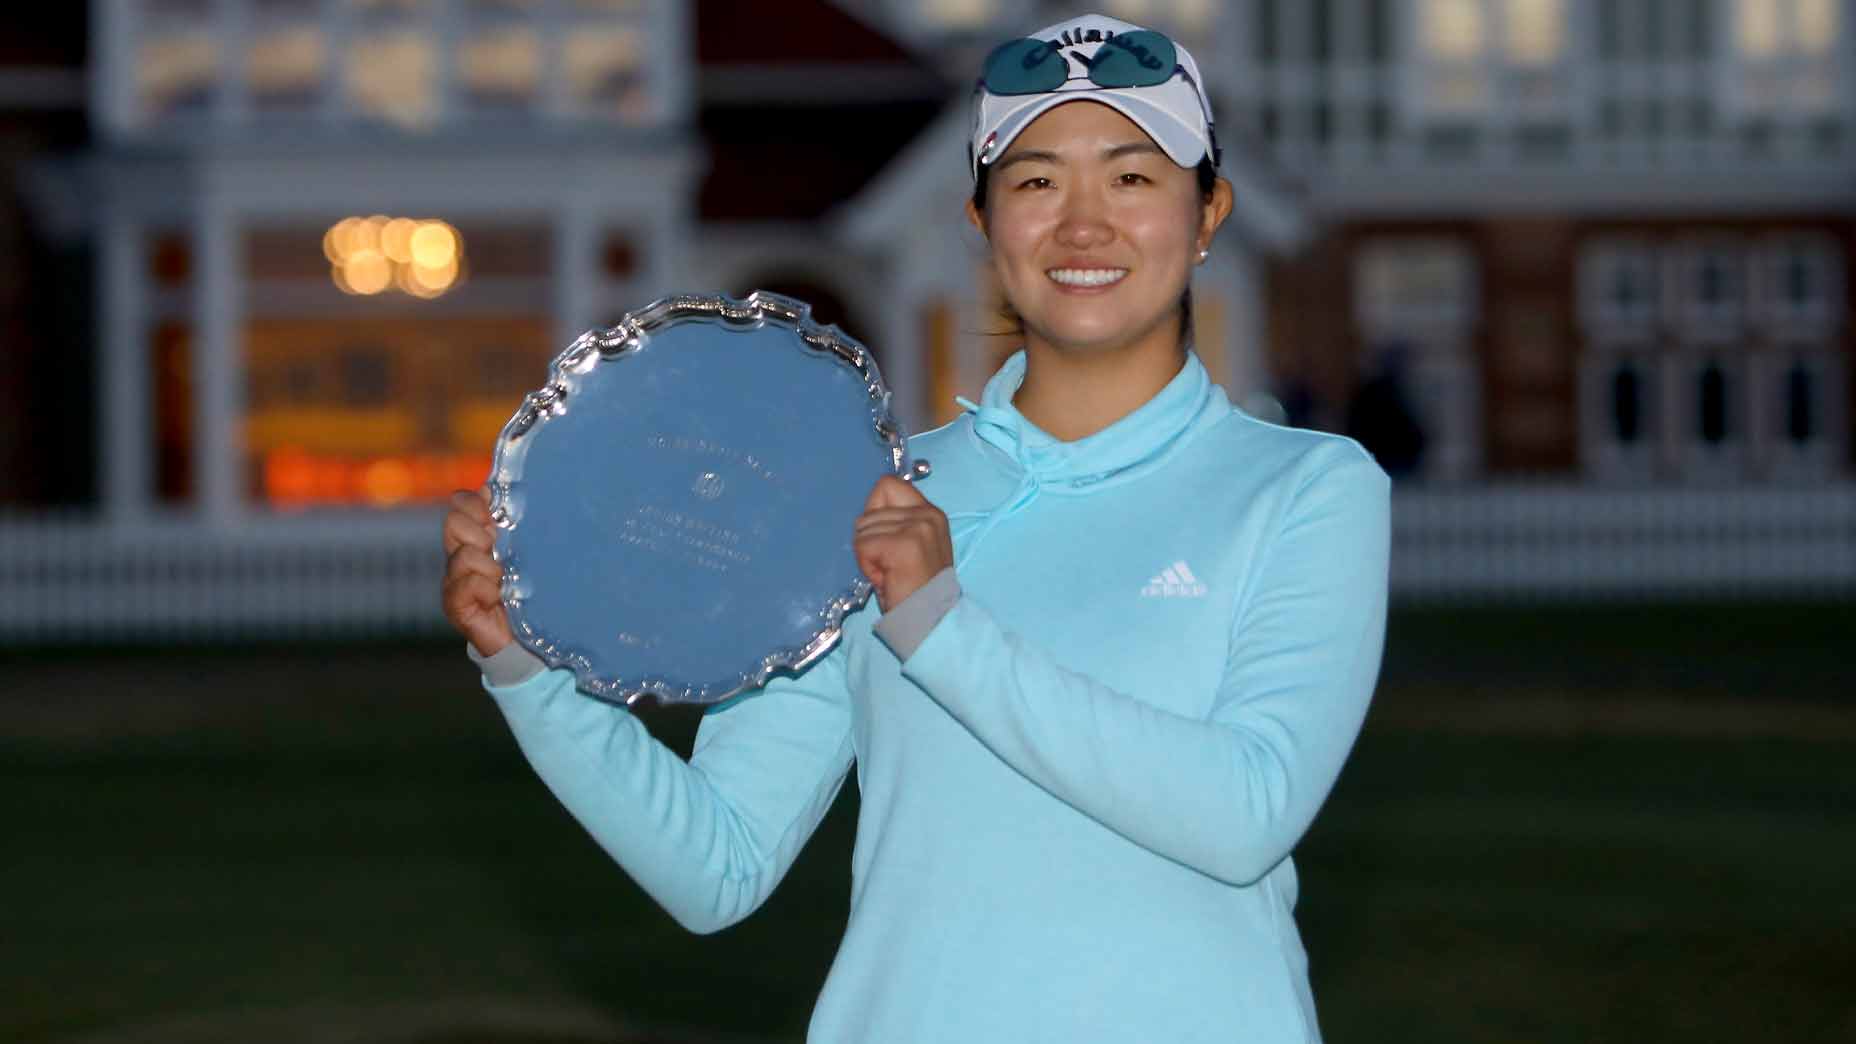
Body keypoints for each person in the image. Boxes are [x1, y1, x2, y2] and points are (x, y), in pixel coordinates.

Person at [442, 14, 1389, 1043]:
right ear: (980, 221)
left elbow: (1242, 814)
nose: (1081, 224)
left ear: (1208, 214)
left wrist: (941, 624)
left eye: (1131, 177)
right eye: (1033, 181)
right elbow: (716, 863)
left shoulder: (1305, 489)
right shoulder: (873, 496)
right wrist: (527, 675)